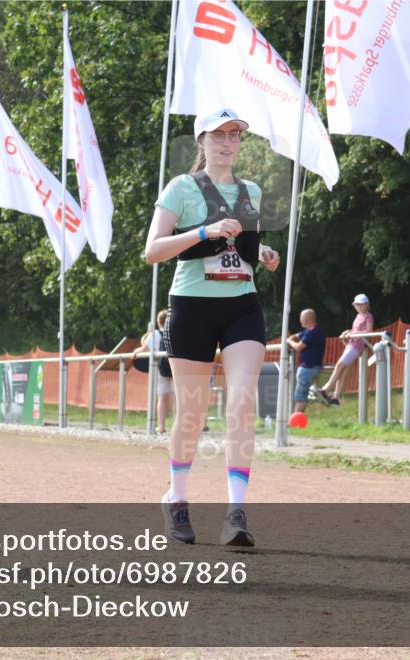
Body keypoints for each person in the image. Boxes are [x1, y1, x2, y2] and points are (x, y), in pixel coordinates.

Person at [144, 107, 280, 547]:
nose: (226, 143)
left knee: (242, 403)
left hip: (242, 305)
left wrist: (261, 253)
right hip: (191, 307)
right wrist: (204, 231)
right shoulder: (181, 188)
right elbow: (152, 251)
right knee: (192, 413)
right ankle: (177, 500)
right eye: (217, 135)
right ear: (200, 141)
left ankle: (235, 513)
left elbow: (242, 243)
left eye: (234, 135)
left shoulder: (251, 191)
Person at [319, 294, 374, 406]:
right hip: (351, 343)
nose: (358, 306)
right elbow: (355, 330)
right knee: (343, 371)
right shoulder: (358, 316)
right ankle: (336, 398)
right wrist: (347, 332)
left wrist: (353, 334)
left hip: (357, 345)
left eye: (361, 304)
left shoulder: (368, 316)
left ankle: (326, 389)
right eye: (357, 304)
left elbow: (369, 331)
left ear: (366, 304)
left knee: (339, 365)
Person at [131, 309, 175, 434]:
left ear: (158, 321)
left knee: (162, 397)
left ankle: (161, 426)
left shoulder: (155, 334)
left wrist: (135, 352)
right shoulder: (175, 332)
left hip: (159, 368)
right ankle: (178, 426)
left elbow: (144, 349)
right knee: (176, 397)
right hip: (174, 366)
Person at [287, 309, 326, 413]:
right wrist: (292, 338)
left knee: (300, 396)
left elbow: (299, 347)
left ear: (307, 319)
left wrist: (290, 342)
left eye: (302, 319)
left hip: (307, 368)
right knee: (302, 394)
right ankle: (298, 419)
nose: (300, 322)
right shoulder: (313, 330)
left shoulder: (312, 332)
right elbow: (297, 335)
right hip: (312, 367)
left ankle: (294, 421)